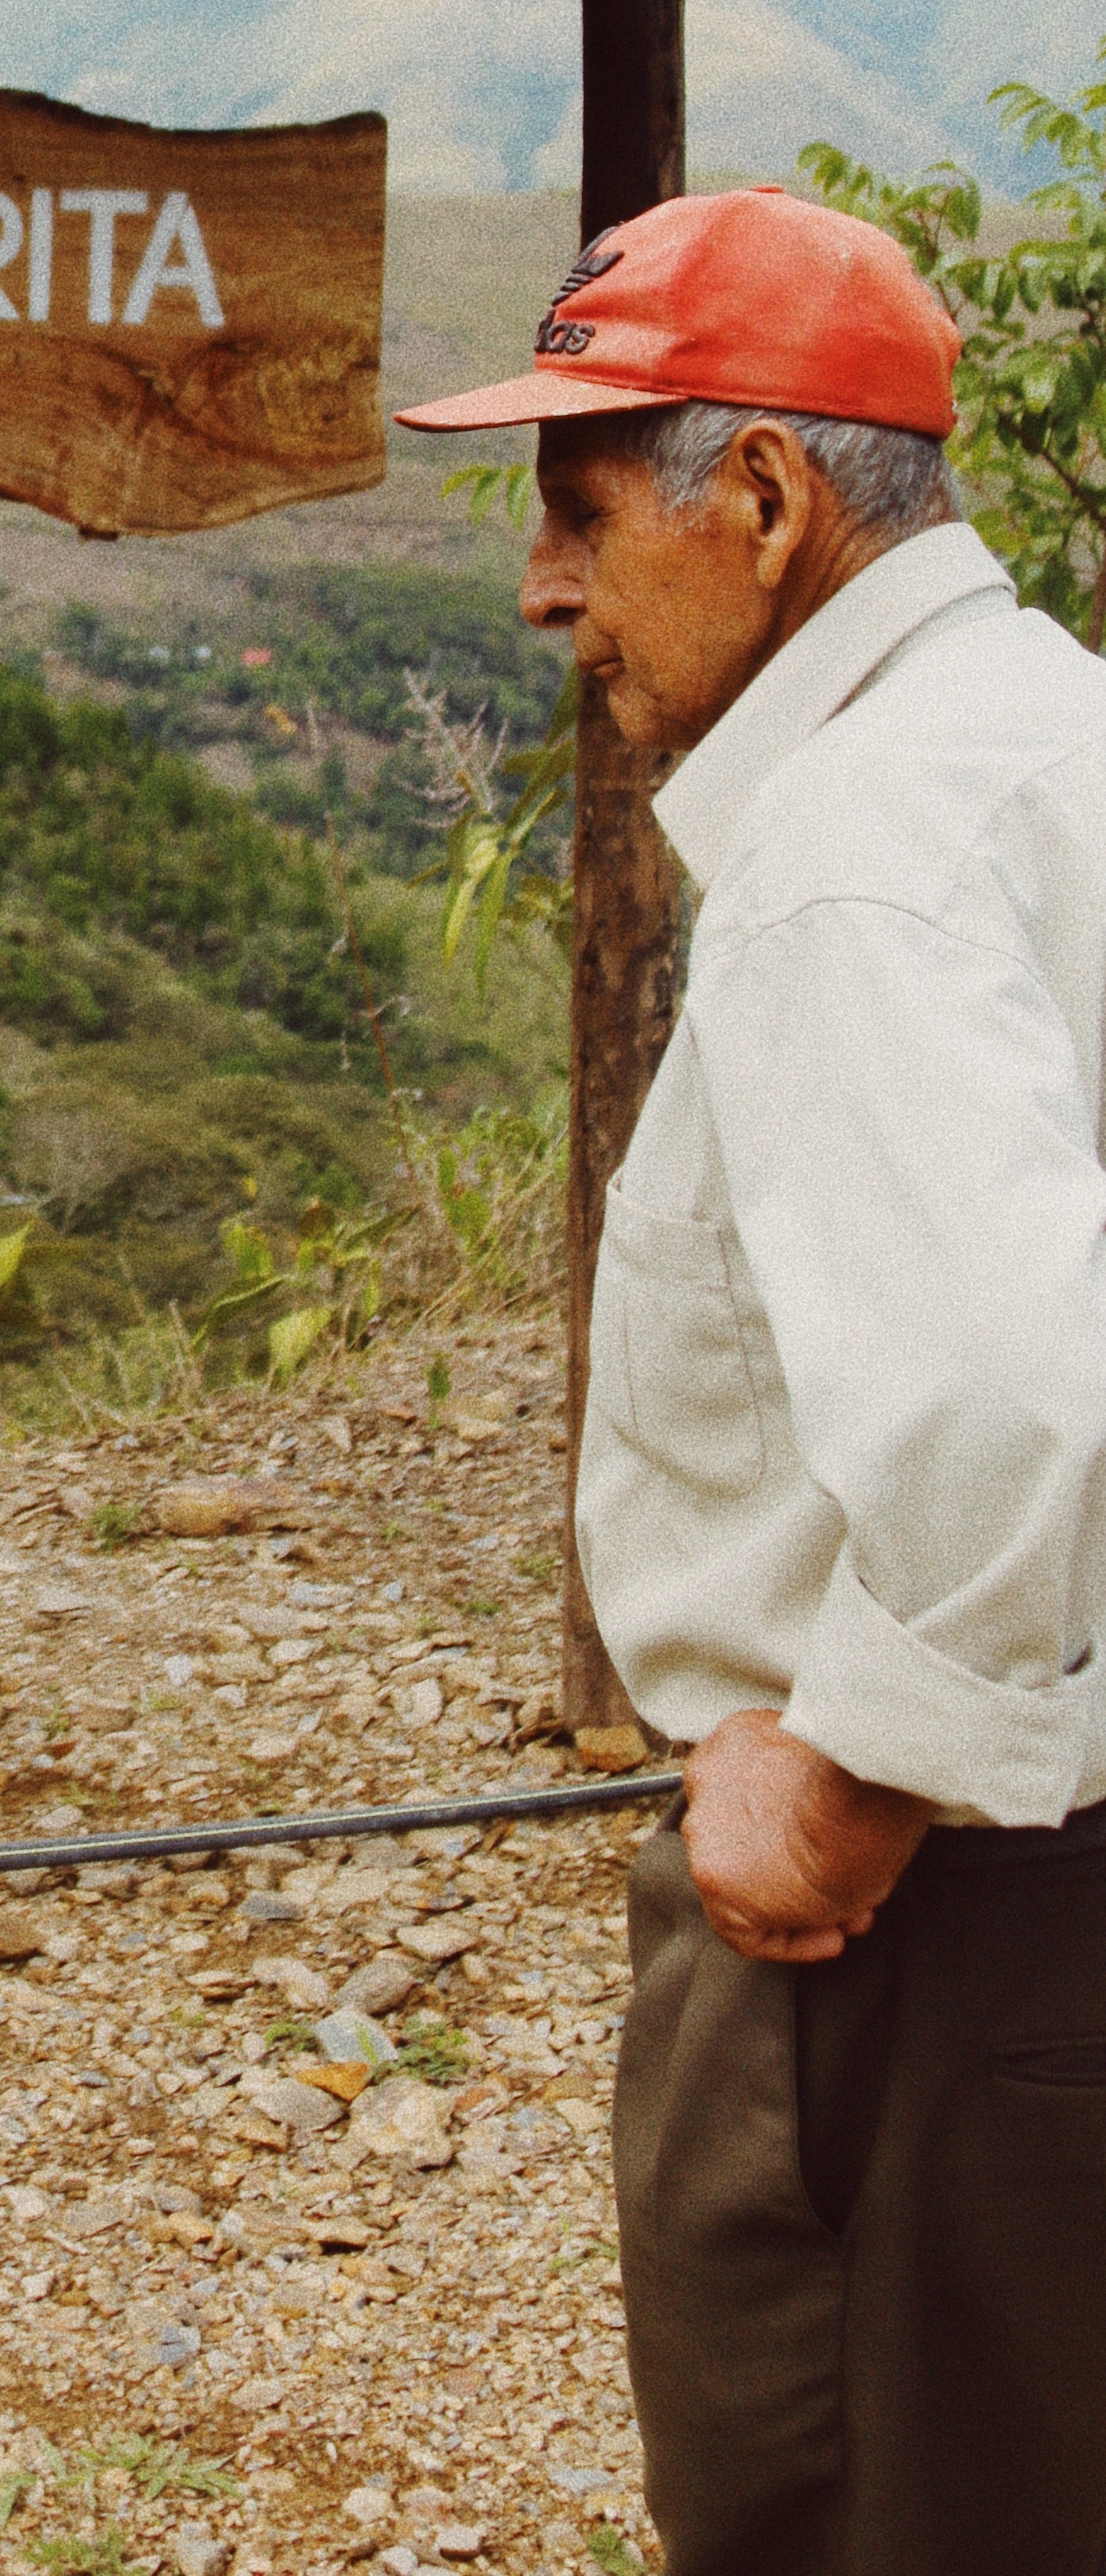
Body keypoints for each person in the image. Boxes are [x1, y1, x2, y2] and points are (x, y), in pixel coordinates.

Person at [398, 184, 1106, 2576]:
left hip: (948, 1943)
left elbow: (1020, 1399)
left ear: (771, 502)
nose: (544, 585)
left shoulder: (855, 855)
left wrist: (867, 1769)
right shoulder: (1049, 742)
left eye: (582, 506)